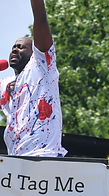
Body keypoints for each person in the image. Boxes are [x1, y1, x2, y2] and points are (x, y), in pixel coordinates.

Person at [2, 0, 65, 158]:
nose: (15, 49)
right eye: (13, 47)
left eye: (20, 47)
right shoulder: (5, 84)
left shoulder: (41, 67)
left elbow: (40, 19)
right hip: (16, 160)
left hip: (44, 155)